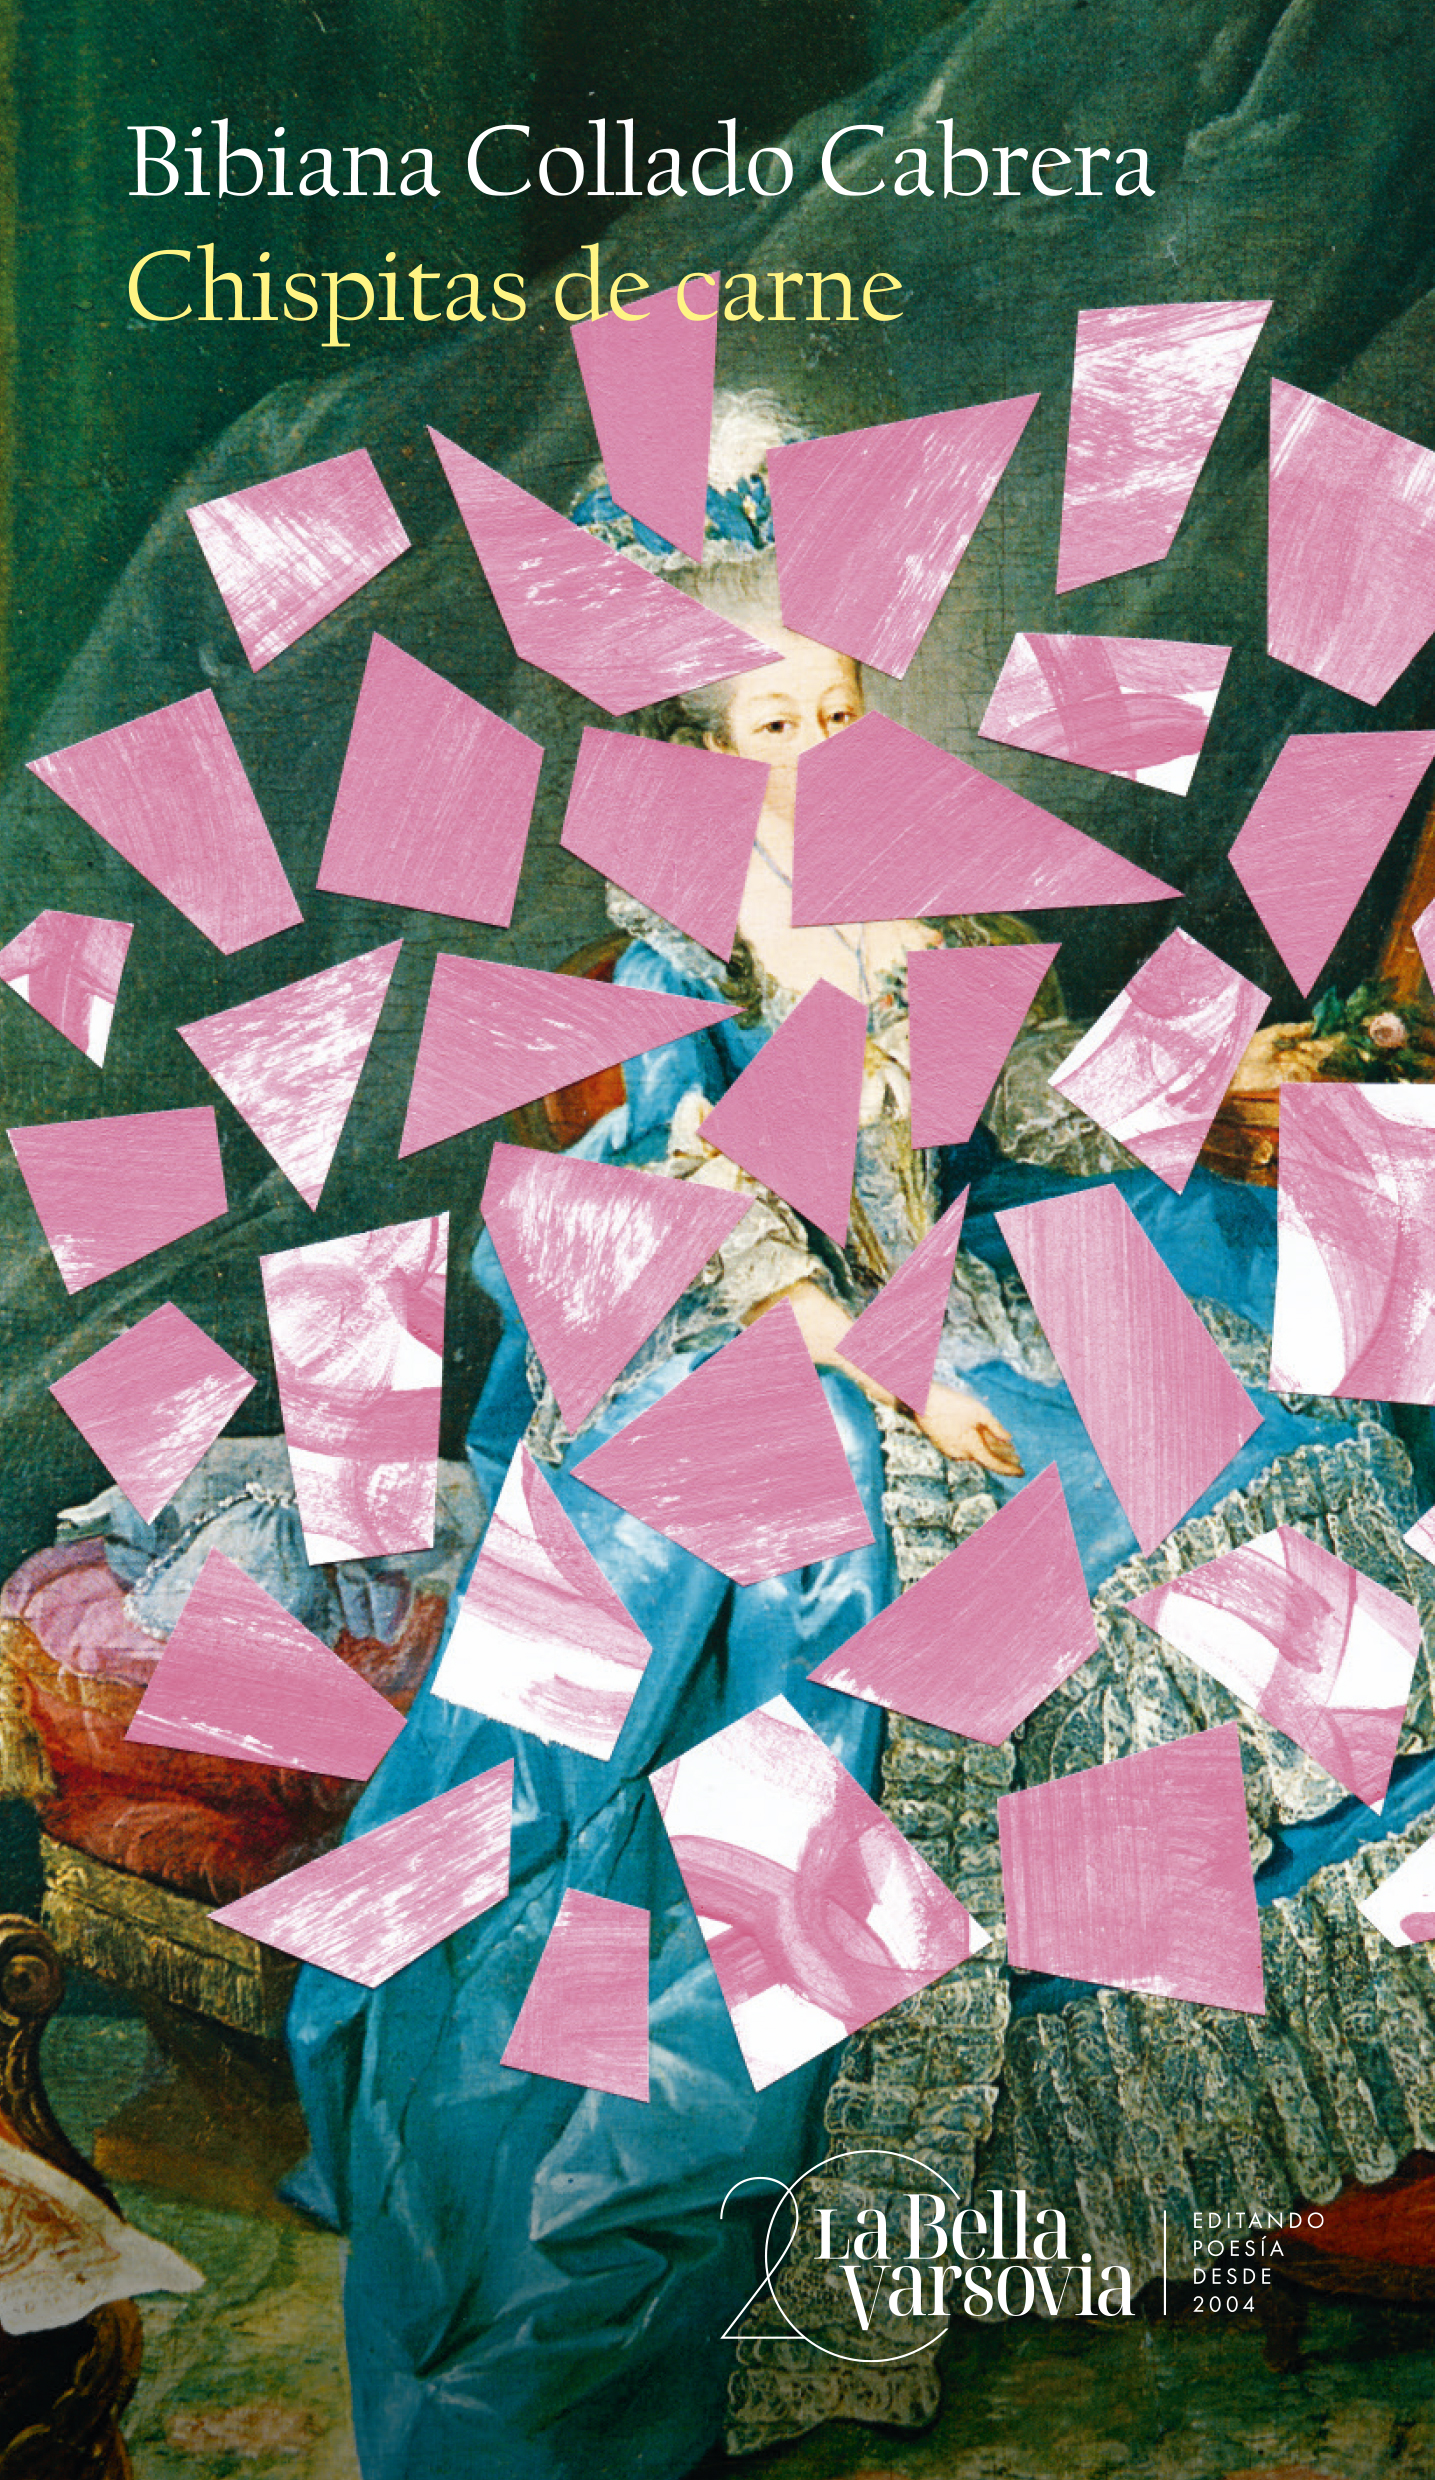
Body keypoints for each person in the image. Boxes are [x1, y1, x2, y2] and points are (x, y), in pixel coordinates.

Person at [286, 409, 1435, 2479]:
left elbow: (1015, 1105)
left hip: (932, 1286)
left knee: (1264, 1392)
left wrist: (1205, 1086)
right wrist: (892, 1375)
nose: (815, 755)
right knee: (887, 1576)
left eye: (833, 711)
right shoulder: (677, 945)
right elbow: (700, 1211)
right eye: (768, 729)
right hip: (757, 1340)